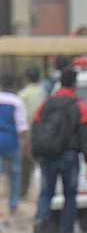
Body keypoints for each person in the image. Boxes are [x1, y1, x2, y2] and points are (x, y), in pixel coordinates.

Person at [32, 68, 87, 233]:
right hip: (69, 155)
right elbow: (85, 135)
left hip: (47, 155)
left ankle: (40, 220)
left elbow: (35, 127)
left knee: (46, 193)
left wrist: (37, 154)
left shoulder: (45, 104)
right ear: (74, 83)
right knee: (70, 195)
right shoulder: (79, 105)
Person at [0, 73, 29, 222]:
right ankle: (13, 207)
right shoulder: (16, 102)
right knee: (14, 175)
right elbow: (22, 126)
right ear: (13, 86)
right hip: (12, 142)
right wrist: (25, 145)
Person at [18, 66, 44, 200]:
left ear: (26, 79)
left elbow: (22, 117)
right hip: (44, 130)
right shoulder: (43, 91)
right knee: (42, 162)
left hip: (28, 130)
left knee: (26, 163)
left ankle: (23, 192)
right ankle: (41, 190)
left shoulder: (23, 94)